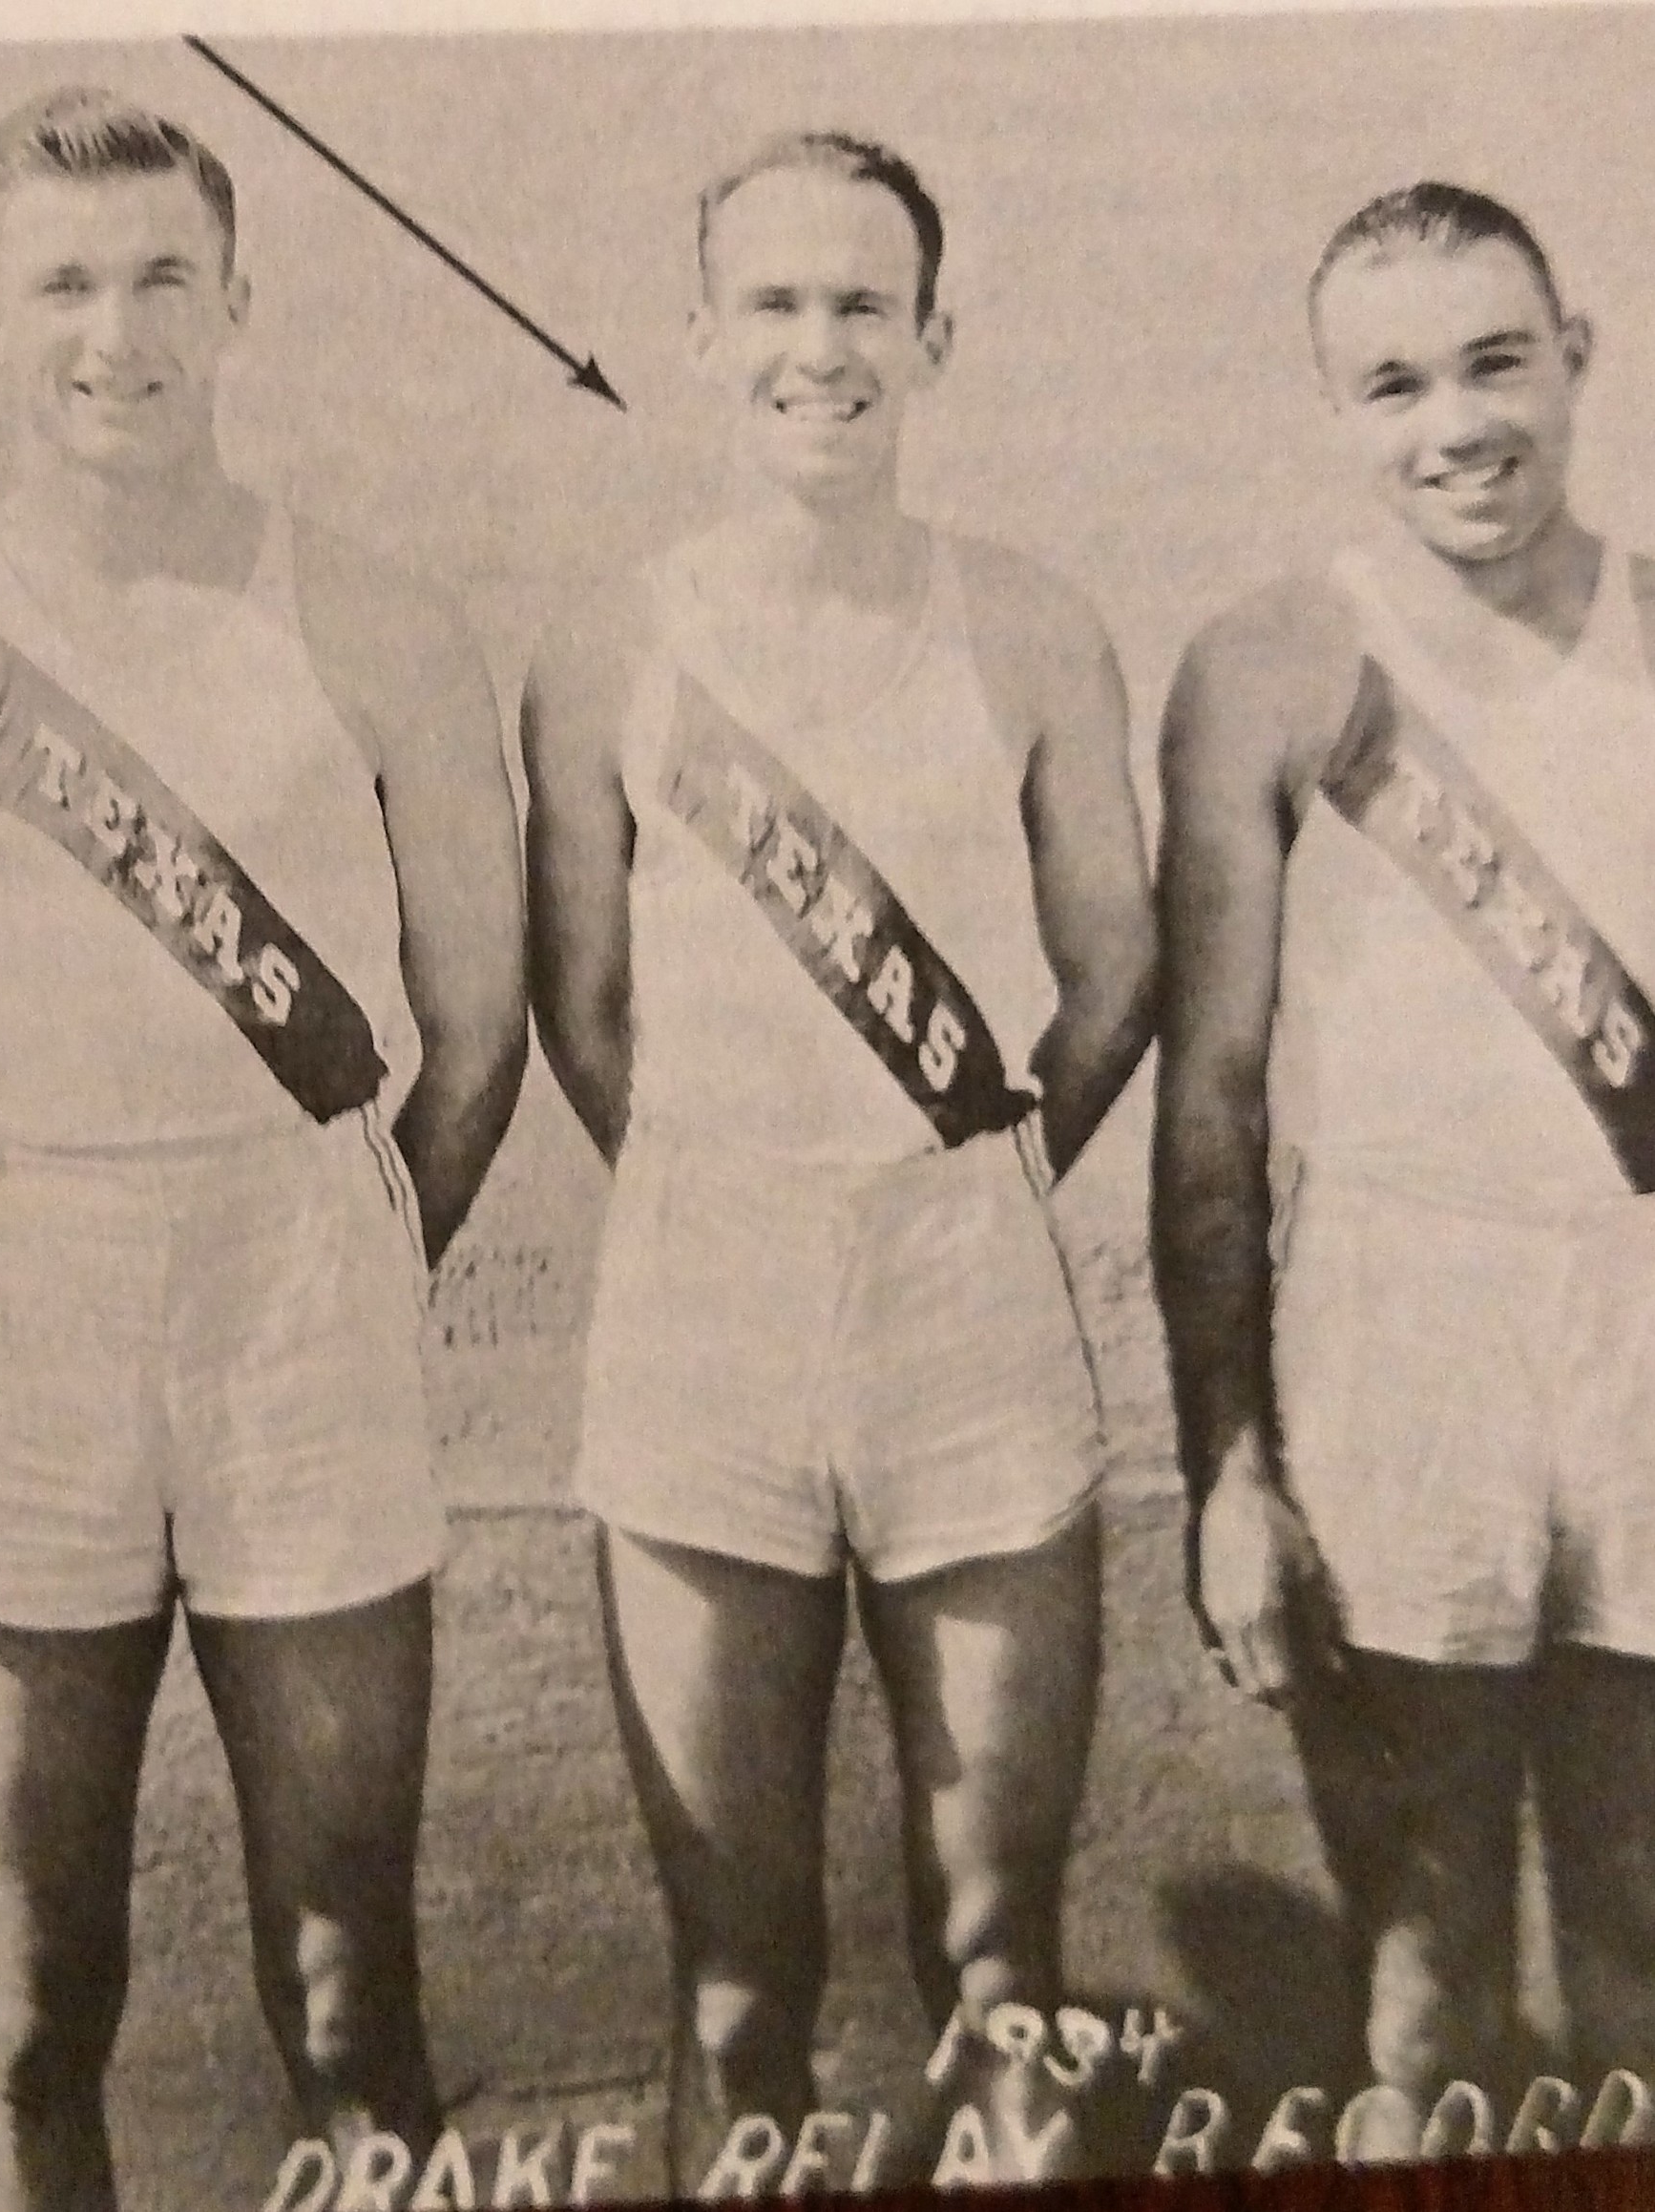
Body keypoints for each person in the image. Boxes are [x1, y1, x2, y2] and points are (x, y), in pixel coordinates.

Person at [0, 87, 528, 2212]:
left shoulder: (379, 619)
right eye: (62, 285)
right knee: (35, 2002)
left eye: (160, 281)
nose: (114, 334)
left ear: (234, 304)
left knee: (348, 1992)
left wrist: (354, 1254)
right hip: (28, 1291)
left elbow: (467, 1037)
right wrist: (17, 1286)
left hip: (299, 1280)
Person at [522, 131, 1156, 2188]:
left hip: (962, 1301)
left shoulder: (1031, 625)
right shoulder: (609, 644)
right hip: (701, 1298)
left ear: (932, 334)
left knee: (1001, 1962)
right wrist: (736, 1182)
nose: (820, 349)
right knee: (734, 1985)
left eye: (862, 305)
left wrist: (958, 1184)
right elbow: (585, 1012)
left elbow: (1115, 963)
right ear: (703, 341)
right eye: (775, 307)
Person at [1154, 181, 1655, 2140]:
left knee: (1638, 1944)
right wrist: (1229, 1466)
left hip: (1636, 1321)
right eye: (1391, 382)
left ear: (1574, 361)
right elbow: (1206, 1101)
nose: (1453, 421)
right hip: (1390, 1329)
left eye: (1493, 363)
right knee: (1420, 1972)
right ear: (1332, 412)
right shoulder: (1270, 665)